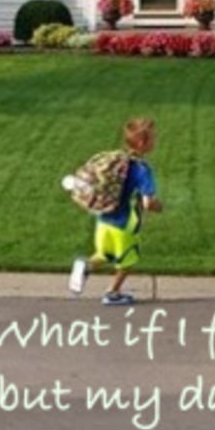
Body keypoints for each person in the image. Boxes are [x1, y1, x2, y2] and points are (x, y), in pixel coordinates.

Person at [68, 117, 162, 305]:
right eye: (153, 138)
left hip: (103, 219)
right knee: (127, 261)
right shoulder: (142, 170)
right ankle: (113, 293)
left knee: (104, 254)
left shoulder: (118, 161)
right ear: (143, 143)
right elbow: (147, 203)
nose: (155, 141)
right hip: (124, 224)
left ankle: (85, 265)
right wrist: (159, 207)